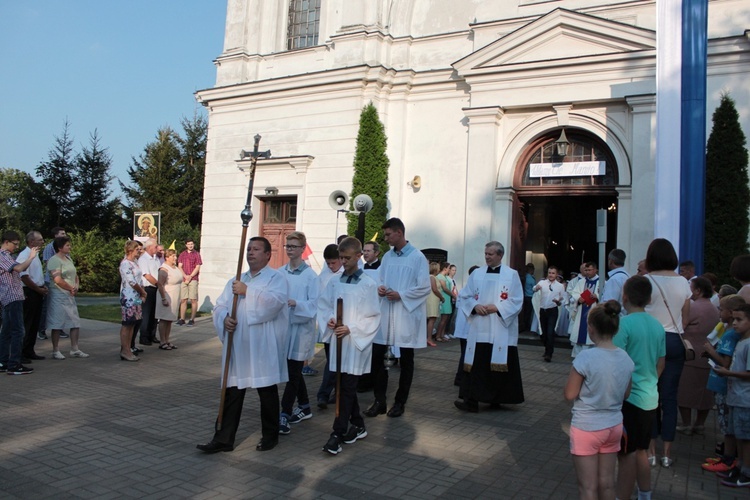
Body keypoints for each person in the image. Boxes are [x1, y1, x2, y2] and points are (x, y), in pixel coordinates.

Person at [196, 237, 289, 454]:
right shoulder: (235, 280)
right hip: (238, 344)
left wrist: (249, 292)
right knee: (232, 391)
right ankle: (223, 439)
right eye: (248, 249)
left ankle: (270, 435)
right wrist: (225, 318)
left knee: (266, 391)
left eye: (256, 249)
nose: (250, 252)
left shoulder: (276, 278)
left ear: (267, 254)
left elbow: (275, 304)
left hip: (262, 344)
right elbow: (219, 306)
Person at [564, 301, 634, 500]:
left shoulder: (585, 358)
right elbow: (626, 394)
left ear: (591, 328)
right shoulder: (626, 358)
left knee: (588, 488)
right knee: (608, 484)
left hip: (587, 425)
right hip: (613, 425)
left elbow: (569, 394)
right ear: (616, 328)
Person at [318, 237, 381, 454]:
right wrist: (330, 319)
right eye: (341, 258)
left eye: (347, 258)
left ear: (358, 256)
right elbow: (325, 304)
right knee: (342, 385)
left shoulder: (368, 284)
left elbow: (373, 316)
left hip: (354, 343)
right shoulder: (335, 281)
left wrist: (351, 328)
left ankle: (337, 433)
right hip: (338, 341)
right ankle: (359, 424)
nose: (343, 262)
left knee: (347, 387)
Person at [364, 217, 430, 419]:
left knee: (406, 362)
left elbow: (424, 287)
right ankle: (380, 401)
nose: (385, 238)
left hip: (405, 315)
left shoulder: (417, 257)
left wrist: (401, 294)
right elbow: (380, 279)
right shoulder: (388, 257)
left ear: (399, 233)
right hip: (386, 315)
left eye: (387, 234)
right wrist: (381, 287)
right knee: (377, 360)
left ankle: (400, 402)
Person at [455, 241, 524, 412]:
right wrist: (475, 306)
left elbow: (517, 300)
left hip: (500, 327)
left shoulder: (512, 274)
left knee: (498, 365)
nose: (487, 257)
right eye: (486, 253)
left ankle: (496, 399)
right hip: (480, 327)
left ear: (500, 255)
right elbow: (465, 296)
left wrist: (497, 308)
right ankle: (471, 401)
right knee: (477, 365)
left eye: (490, 254)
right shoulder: (477, 273)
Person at [613, 276, 666, 500]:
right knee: (642, 450)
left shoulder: (623, 324)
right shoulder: (657, 325)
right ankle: (645, 495)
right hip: (650, 397)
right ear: (649, 298)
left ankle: (622, 497)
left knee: (626, 455)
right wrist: (650, 382)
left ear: (624, 296)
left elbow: (616, 363)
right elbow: (660, 363)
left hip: (629, 399)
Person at [643, 238, 691, 468]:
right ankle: (667, 454)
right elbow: (686, 317)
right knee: (669, 398)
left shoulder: (646, 281)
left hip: (651, 341)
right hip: (674, 341)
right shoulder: (683, 282)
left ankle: (651, 451)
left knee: (649, 394)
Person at [278, 232, 318, 435]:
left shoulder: (311, 276)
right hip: (284, 329)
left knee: (293, 373)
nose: (290, 249)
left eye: (294, 246)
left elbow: (314, 304)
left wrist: (297, 303)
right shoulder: (279, 273)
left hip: (301, 329)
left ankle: (284, 413)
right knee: (292, 371)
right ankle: (305, 406)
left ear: (303, 249)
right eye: (288, 246)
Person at [701, 294, 746, 475]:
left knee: (727, 425)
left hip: (724, 384)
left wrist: (711, 351)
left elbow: (725, 362)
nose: (718, 312)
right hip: (723, 385)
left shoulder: (730, 335)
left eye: (721, 309)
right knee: (726, 423)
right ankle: (728, 457)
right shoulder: (731, 332)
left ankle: (729, 458)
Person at [713, 303, 750, 487]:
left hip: (745, 399)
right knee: (738, 435)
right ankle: (739, 467)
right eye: (733, 319)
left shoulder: (749, 344)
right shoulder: (741, 341)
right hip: (736, 397)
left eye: (739, 319)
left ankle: (746, 472)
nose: (734, 323)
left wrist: (728, 373)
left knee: (745, 438)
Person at [677, 276, 720, 435]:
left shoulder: (693, 308)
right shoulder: (715, 309)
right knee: (705, 393)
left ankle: (687, 424)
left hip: (690, 353)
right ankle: (700, 424)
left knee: (684, 391)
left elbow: (682, 324)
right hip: (708, 354)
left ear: (698, 290)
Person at [0, 231, 40, 375]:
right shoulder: (3, 255)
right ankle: (14, 364)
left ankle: (4, 362)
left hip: (12, 296)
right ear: (6, 242)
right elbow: (18, 269)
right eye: (14, 244)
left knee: (7, 331)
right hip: (11, 297)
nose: (16, 247)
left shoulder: (8, 256)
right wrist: (30, 257)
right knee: (18, 331)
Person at [47, 236, 88, 360]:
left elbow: (75, 275)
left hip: (69, 294)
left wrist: (76, 286)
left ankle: (75, 348)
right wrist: (70, 287)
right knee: (58, 322)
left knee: (75, 321)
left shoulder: (68, 259)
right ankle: (55, 350)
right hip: (58, 294)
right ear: (60, 247)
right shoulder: (54, 260)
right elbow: (57, 279)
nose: (70, 247)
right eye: (67, 245)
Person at [316, 244, 344, 409]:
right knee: (331, 361)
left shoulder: (346, 275)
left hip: (342, 325)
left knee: (336, 362)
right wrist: (327, 318)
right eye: (328, 263)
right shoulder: (323, 275)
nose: (330, 266)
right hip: (327, 325)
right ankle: (329, 393)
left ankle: (326, 394)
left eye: (333, 263)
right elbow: (321, 301)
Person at [17, 231, 48, 362]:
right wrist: (37, 289)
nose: (42, 242)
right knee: (28, 322)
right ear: (31, 242)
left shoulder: (35, 255)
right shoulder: (24, 255)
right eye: (39, 240)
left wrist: (42, 286)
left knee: (35, 322)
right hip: (29, 292)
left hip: (37, 290)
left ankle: (29, 350)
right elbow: (24, 276)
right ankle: (22, 352)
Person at [119, 241, 147, 361]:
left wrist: (142, 293)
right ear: (130, 250)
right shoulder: (125, 264)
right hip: (128, 297)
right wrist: (143, 292)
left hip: (136, 297)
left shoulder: (134, 263)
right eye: (137, 250)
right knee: (127, 323)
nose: (139, 252)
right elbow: (131, 281)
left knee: (134, 322)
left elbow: (139, 279)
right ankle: (125, 350)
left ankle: (129, 347)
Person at [453, 265, 479, 387]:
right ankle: (460, 378)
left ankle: (461, 377)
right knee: (466, 353)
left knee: (466, 352)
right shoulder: (469, 291)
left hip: (465, 327)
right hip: (467, 327)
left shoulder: (466, 289)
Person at [38, 226, 66, 340]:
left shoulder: (64, 248)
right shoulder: (50, 247)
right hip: (51, 281)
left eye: (64, 233)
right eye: (62, 233)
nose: (64, 235)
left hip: (62, 281)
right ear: (55, 235)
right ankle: (41, 330)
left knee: (60, 307)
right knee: (47, 307)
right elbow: (48, 263)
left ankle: (59, 329)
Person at [532, 265, 565, 362]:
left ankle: (549, 354)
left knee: (550, 332)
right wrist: (536, 288)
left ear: (556, 274)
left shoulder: (560, 286)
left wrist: (558, 302)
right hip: (543, 310)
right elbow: (534, 288)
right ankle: (547, 349)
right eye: (549, 273)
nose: (551, 275)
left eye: (553, 273)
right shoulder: (542, 282)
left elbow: (562, 299)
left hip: (552, 310)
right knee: (544, 333)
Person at [568, 262, 601, 357]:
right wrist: (579, 298)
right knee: (580, 335)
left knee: (592, 337)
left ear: (595, 270)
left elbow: (605, 295)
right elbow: (574, 293)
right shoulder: (581, 281)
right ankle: (578, 357)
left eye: (589, 270)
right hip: (581, 310)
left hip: (594, 310)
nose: (587, 272)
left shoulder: (601, 281)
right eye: (586, 270)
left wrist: (597, 296)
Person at [155, 249, 184, 350]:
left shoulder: (175, 267)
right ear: (167, 257)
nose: (175, 258)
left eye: (176, 256)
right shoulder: (164, 269)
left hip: (175, 296)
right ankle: (162, 341)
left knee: (169, 319)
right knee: (164, 319)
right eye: (173, 256)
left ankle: (167, 340)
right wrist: (163, 298)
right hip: (167, 295)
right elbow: (160, 284)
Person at [178, 239, 202, 326]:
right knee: (183, 299)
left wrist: (190, 276)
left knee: (193, 299)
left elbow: (197, 266)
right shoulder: (182, 254)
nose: (190, 246)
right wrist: (185, 276)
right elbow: (180, 266)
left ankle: (192, 319)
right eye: (189, 244)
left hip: (193, 278)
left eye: (192, 244)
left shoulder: (197, 254)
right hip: (184, 279)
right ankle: (182, 318)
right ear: (186, 245)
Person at [435, 262, 454, 342]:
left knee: (446, 319)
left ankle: (442, 335)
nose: (449, 270)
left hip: (447, 298)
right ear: (445, 268)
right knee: (443, 319)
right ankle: (438, 335)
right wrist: (454, 295)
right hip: (444, 299)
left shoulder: (445, 277)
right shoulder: (440, 277)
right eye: (449, 268)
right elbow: (445, 288)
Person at [426, 262, 443, 347]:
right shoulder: (432, 277)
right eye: (438, 268)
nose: (439, 270)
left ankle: (428, 337)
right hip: (432, 299)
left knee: (432, 319)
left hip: (433, 299)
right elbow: (435, 289)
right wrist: (442, 297)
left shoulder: (433, 277)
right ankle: (429, 338)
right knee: (432, 319)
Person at [522, 263, 536, 332]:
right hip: (530, 297)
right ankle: (527, 326)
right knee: (528, 312)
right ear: (531, 270)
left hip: (524, 296)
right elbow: (534, 288)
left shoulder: (525, 277)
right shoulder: (531, 278)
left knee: (525, 312)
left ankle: (524, 325)